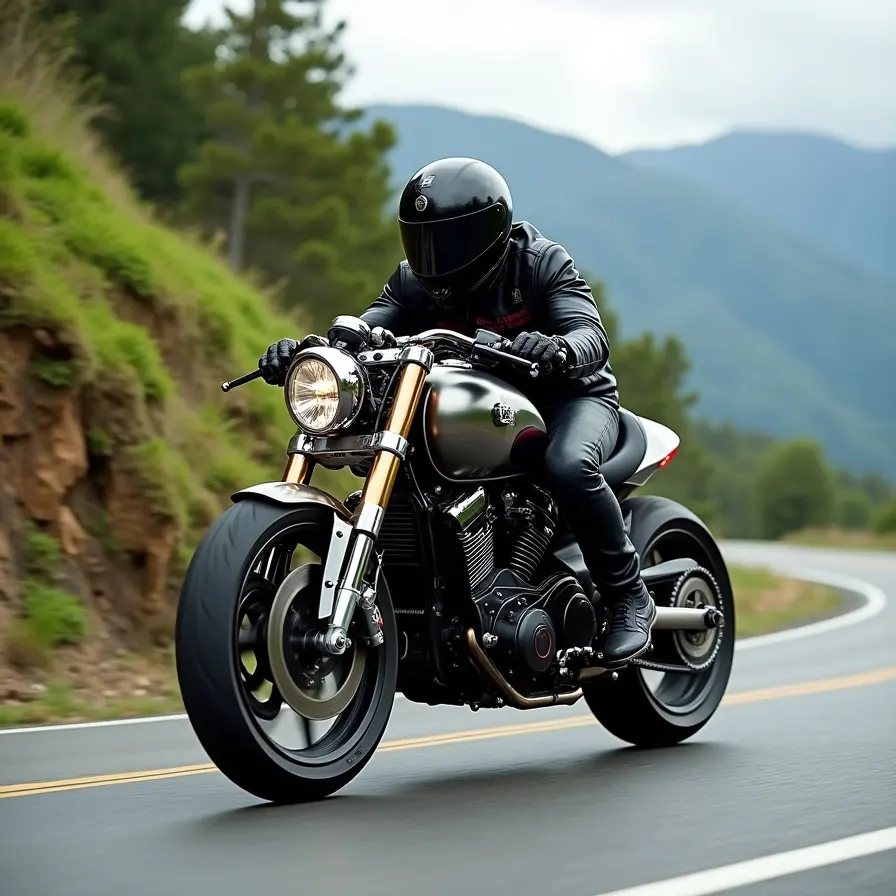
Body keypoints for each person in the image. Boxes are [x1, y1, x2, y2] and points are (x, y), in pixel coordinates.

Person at [259, 156, 655, 668]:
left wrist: (556, 348)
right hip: (482, 408)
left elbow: (589, 335)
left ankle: (629, 597)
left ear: (487, 235)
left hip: (567, 400)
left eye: (445, 242)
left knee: (567, 466)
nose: (432, 257)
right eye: (421, 241)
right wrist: (310, 351)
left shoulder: (539, 263)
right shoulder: (411, 281)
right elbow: (360, 331)